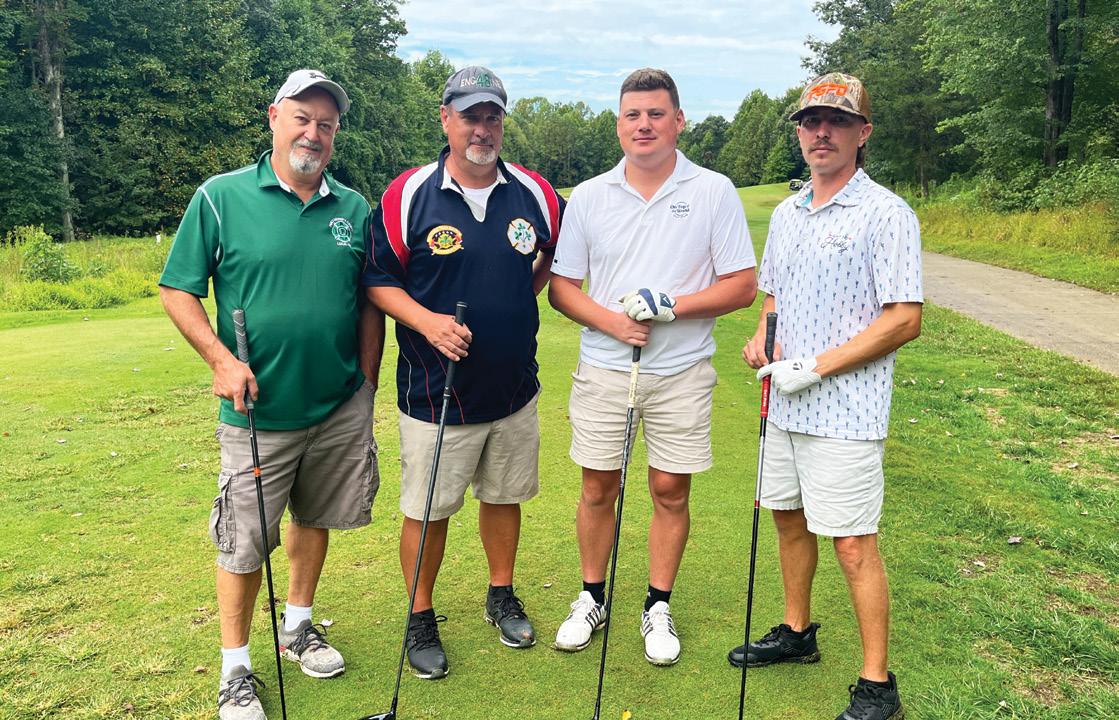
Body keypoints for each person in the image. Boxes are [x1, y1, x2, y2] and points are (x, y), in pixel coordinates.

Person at [160, 69, 383, 720]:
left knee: (315, 519)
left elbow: (370, 302)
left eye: (326, 124)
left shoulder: (354, 209)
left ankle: (298, 626)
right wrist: (220, 360)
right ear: (274, 117)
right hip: (257, 410)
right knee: (244, 541)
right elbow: (178, 288)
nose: (313, 133)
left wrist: (367, 384)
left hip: (336, 405)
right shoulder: (221, 197)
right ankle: (235, 670)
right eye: (302, 118)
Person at [726, 73, 921, 720]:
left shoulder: (887, 213)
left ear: (862, 133)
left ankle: (877, 685)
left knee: (852, 543)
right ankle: (797, 631)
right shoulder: (787, 213)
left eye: (836, 121)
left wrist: (815, 367)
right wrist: (762, 339)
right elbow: (772, 297)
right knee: (787, 518)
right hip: (784, 404)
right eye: (810, 121)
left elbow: (903, 319)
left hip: (846, 411)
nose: (821, 132)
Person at [549, 68, 757, 666]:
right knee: (598, 485)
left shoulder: (713, 190)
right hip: (605, 367)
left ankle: (657, 604)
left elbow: (742, 285)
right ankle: (592, 597)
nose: (644, 125)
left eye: (656, 114)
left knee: (669, 488)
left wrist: (672, 305)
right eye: (633, 115)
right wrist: (612, 322)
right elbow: (562, 287)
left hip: (682, 370)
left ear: (678, 121)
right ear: (619, 124)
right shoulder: (591, 195)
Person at [362, 66, 564, 679]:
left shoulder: (535, 192)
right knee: (429, 510)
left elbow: (552, 258)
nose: (482, 128)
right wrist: (428, 322)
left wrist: (518, 296)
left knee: (503, 498)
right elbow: (377, 280)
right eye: (470, 115)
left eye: (492, 116)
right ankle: (420, 614)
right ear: (445, 119)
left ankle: (500, 593)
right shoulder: (407, 194)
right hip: (435, 393)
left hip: (513, 388)